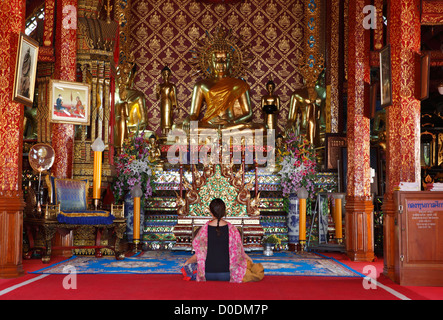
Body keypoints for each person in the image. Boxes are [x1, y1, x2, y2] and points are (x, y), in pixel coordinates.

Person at [182, 198, 264, 283]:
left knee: (192, 267)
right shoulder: (232, 229)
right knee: (247, 266)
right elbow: (239, 253)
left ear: (210, 212)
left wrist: (187, 262)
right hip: (227, 274)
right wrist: (249, 260)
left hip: (207, 274)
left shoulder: (204, 230)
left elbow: (199, 254)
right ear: (224, 212)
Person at [156, 66, 178, 137]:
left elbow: (174, 97)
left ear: (170, 75)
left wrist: (176, 106)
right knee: (163, 117)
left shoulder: (172, 86)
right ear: (162, 75)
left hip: (169, 103)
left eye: (168, 74)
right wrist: (157, 92)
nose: (166, 75)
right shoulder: (160, 85)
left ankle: (169, 133)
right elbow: (157, 97)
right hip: (163, 103)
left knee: (169, 117)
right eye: (164, 74)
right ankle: (163, 133)